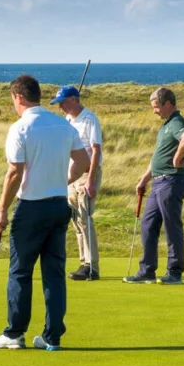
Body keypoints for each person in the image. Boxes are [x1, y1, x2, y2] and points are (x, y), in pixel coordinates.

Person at [0, 75, 90, 350]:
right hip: (58, 206)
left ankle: (14, 334)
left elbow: (14, 173)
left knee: (20, 271)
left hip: (31, 207)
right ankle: (51, 337)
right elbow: (84, 162)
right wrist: (62, 180)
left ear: (18, 97)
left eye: (12, 100)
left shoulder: (20, 128)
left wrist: (1, 210)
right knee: (54, 273)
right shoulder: (63, 125)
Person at [124, 87, 184, 285]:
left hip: (172, 181)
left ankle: (174, 272)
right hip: (158, 182)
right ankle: (146, 271)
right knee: (148, 224)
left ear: (168, 104)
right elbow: (157, 158)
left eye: (156, 107)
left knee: (172, 227)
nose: (154, 110)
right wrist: (144, 180)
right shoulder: (166, 125)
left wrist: (178, 157)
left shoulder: (177, 122)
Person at [51, 85, 104, 281]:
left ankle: (92, 267)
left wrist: (90, 180)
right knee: (76, 220)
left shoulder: (90, 119)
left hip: (87, 173)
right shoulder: (67, 121)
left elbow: (96, 150)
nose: (61, 107)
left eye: (64, 102)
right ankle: (84, 263)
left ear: (74, 99)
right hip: (71, 175)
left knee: (85, 218)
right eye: (59, 104)